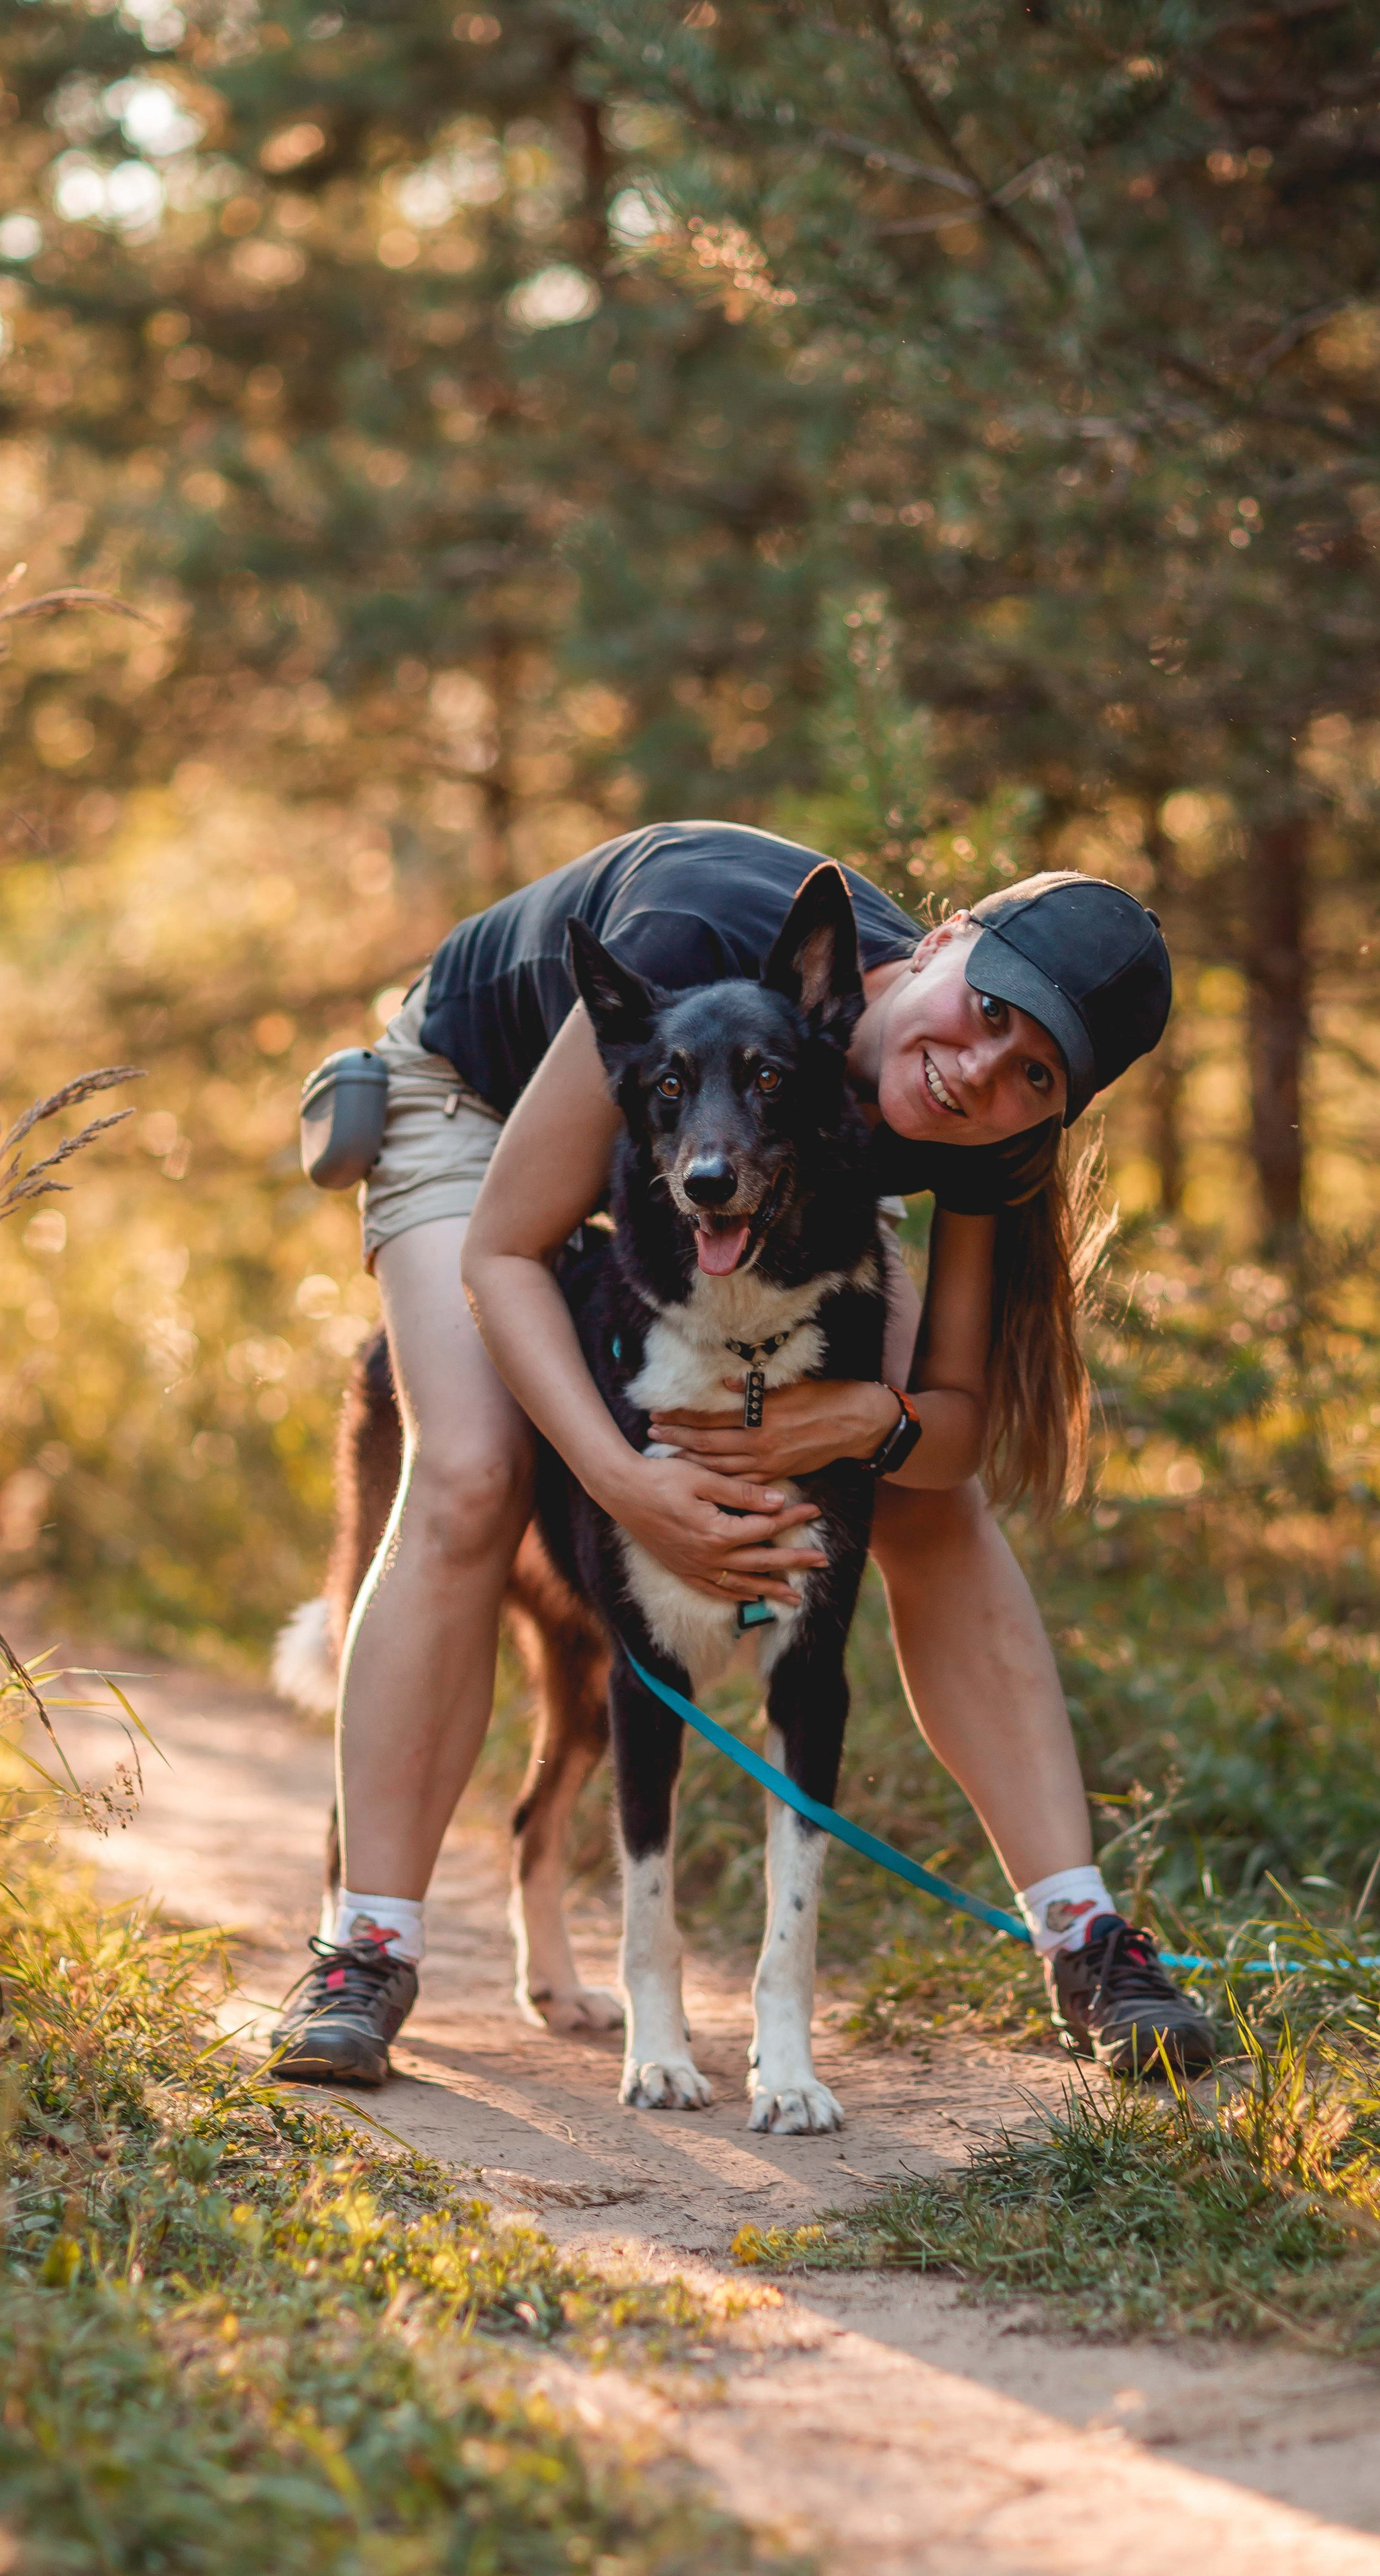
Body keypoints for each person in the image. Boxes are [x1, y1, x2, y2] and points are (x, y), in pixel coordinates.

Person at [271, 820, 1216, 2083]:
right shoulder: (701, 933)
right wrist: (624, 1485)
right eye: (988, 1010)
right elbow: (505, 1250)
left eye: (1034, 1072)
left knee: (929, 1508)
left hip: (779, 1139)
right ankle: (366, 1945)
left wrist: (871, 1423)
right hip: (485, 1112)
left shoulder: (973, 1125)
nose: (980, 1071)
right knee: (476, 1467)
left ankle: (1083, 1937)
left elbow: (950, 1428)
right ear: (942, 941)